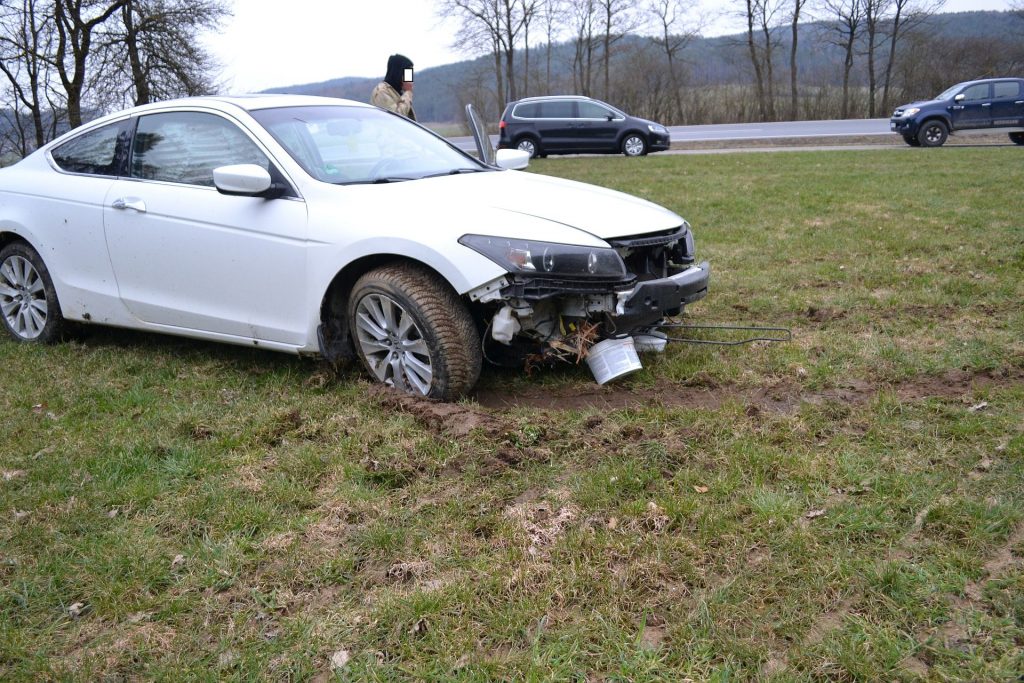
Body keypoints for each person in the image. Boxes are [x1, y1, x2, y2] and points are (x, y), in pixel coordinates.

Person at [371, 54, 416, 121]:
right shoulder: (382, 92)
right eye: (406, 73)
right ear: (398, 72)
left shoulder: (396, 92)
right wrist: (408, 92)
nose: (408, 79)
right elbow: (396, 118)